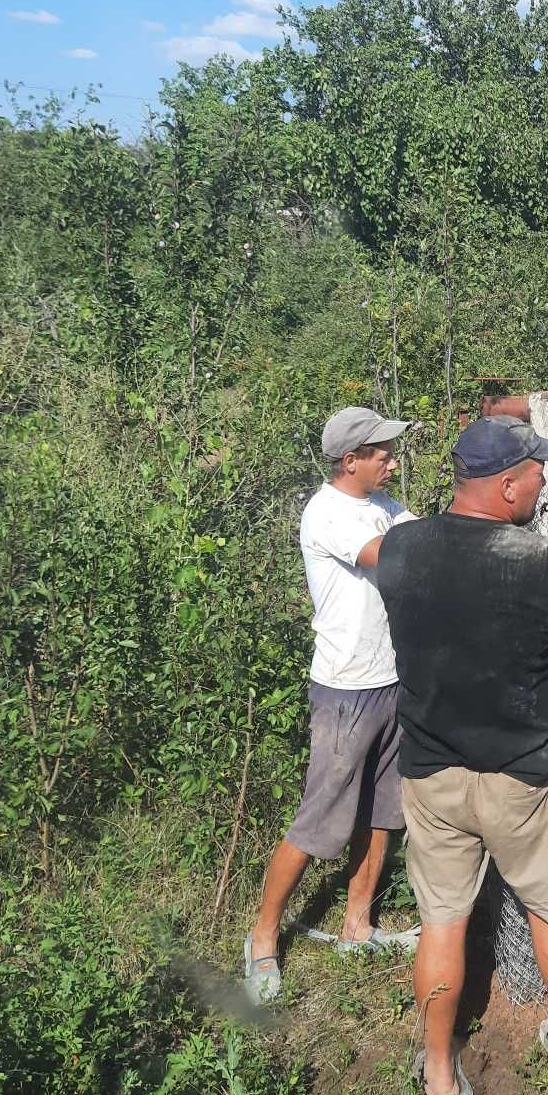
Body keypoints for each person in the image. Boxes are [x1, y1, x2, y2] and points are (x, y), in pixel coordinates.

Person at [368, 414, 548, 1095]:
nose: (542, 484)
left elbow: (378, 564)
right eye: (535, 473)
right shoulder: (545, 562)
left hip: (432, 771)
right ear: (505, 487)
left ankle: (439, 1072)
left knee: (441, 922)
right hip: (525, 775)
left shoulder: (400, 549)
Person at [243, 406, 418, 1004]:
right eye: (382, 454)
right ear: (351, 461)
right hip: (346, 688)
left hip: (394, 680)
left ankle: (357, 925)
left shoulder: (386, 506)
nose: (393, 461)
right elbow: (394, 557)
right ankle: (263, 935)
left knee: (382, 811)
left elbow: (419, 540)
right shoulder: (326, 513)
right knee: (321, 819)